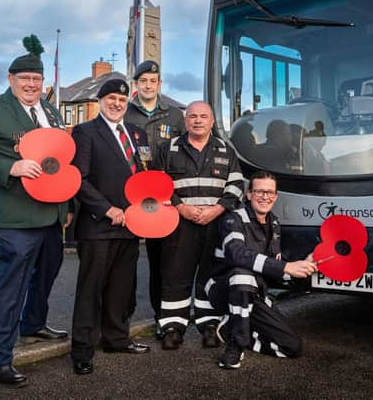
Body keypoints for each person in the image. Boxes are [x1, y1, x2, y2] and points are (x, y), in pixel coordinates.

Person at [0, 39, 70, 387]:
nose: (31, 84)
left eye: (36, 79)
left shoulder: (51, 112)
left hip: (51, 213)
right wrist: (13, 166)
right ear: (10, 79)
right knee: (11, 285)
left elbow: (60, 160)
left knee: (47, 274)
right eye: (24, 78)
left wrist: (65, 207)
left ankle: (34, 324)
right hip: (14, 214)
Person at [70, 79, 150, 375]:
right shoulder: (86, 132)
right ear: (101, 100)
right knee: (91, 290)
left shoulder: (137, 133)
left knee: (121, 288)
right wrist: (107, 209)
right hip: (99, 226)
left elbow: (146, 174)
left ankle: (116, 338)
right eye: (111, 98)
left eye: (122, 99)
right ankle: (82, 350)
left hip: (131, 224)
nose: (117, 103)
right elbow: (79, 179)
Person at [153, 100, 244, 350]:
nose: (198, 120)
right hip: (178, 222)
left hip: (215, 223)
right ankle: (172, 326)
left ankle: (209, 324)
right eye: (192, 116)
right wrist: (181, 207)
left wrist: (217, 209)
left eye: (203, 116)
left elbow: (236, 184)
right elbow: (157, 183)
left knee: (211, 274)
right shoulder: (168, 148)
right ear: (185, 121)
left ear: (212, 121)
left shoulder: (226, 149)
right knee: (175, 273)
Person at [206, 171, 318, 369]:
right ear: (248, 194)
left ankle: (233, 329)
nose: (265, 197)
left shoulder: (274, 224)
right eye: (259, 191)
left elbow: (272, 266)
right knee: (243, 275)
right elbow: (237, 255)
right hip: (224, 289)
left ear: (275, 196)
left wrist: (301, 268)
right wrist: (286, 266)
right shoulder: (233, 219)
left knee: (291, 347)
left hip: (253, 293)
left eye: (270, 192)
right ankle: (236, 345)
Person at [125, 60, 185, 339]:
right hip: (131, 195)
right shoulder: (124, 113)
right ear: (135, 84)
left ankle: (164, 318)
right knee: (125, 261)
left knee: (163, 261)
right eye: (143, 81)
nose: (148, 85)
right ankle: (120, 320)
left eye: (153, 81)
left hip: (165, 198)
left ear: (159, 84)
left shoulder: (174, 116)